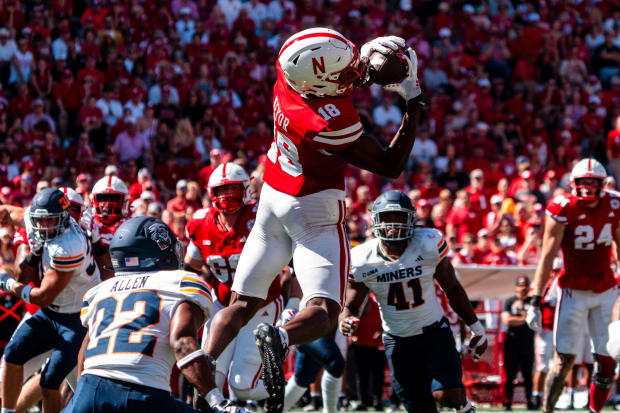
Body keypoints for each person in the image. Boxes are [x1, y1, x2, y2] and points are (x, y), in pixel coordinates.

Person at [201, 29, 424, 413]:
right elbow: (391, 164)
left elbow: (332, 77)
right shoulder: (330, 121)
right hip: (313, 210)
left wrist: (365, 66)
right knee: (324, 310)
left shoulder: (289, 75)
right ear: (320, 84)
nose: (352, 69)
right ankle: (282, 338)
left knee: (239, 305)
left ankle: (201, 387)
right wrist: (413, 99)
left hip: (273, 198)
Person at [64, 216, 243, 413]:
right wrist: (217, 401)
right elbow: (183, 343)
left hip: (90, 389)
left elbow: (85, 350)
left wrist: (84, 396)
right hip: (142, 393)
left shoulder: (99, 291)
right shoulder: (179, 282)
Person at [339, 190, 487, 413]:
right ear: (376, 221)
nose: (393, 224)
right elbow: (351, 303)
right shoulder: (362, 259)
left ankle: (464, 406)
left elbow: (453, 288)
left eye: (399, 217)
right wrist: (346, 317)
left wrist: (476, 327)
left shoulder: (428, 243)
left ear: (411, 219)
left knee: (447, 395)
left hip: (434, 332)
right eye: (387, 218)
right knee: (420, 408)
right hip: (397, 340)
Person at [184, 163, 285, 403]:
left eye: (232, 188)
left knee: (241, 386)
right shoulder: (201, 222)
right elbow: (190, 268)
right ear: (211, 193)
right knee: (207, 379)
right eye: (221, 190)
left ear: (246, 188)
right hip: (222, 305)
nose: (227, 195)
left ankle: (278, 389)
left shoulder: (261, 216)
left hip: (260, 303)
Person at [527, 158, 620, 413]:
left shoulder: (615, 203)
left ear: (603, 183)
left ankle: (594, 410)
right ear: (573, 184)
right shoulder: (562, 207)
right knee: (564, 359)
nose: (588, 188)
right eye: (583, 182)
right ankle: (547, 409)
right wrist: (535, 298)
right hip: (573, 290)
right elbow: (547, 254)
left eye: (593, 182)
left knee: (607, 359)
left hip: (606, 288)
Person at [0, 188, 101, 413]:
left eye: (50, 220)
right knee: (13, 353)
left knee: (50, 381)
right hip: (54, 313)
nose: (44, 226)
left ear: (64, 218)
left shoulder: (68, 245)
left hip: (79, 319)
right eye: (40, 220)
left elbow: (44, 297)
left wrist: (7, 283)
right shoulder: (37, 219)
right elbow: (6, 211)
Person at [501, 275, 536, 410]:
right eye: (521, 285)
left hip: (527, 342)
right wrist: (524, 318)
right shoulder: (510, 301)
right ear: (516, 287)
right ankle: (508, 400)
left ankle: (529, 400)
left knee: (528, 373)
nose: (523, 288)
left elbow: (535, 322)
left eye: (525, 285)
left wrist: (519, 319)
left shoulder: (533, 301)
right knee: (510, 373)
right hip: (512, 341)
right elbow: (507, 320)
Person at [532, 257, 562, 409]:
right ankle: (536, 396)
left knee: (556, 366)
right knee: (542, 367)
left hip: (559, 331)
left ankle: (550, 396)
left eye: (558, 270)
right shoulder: (543, 287)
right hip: (545, 330)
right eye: (554, 271)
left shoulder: (562, 285)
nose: (556, 273)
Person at [87, 175, 130, 247]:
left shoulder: (130, 226)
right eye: (102, 198)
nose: (107, 203)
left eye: (114, 198)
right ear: (93, 200)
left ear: (125, 201)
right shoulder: (88, 224)